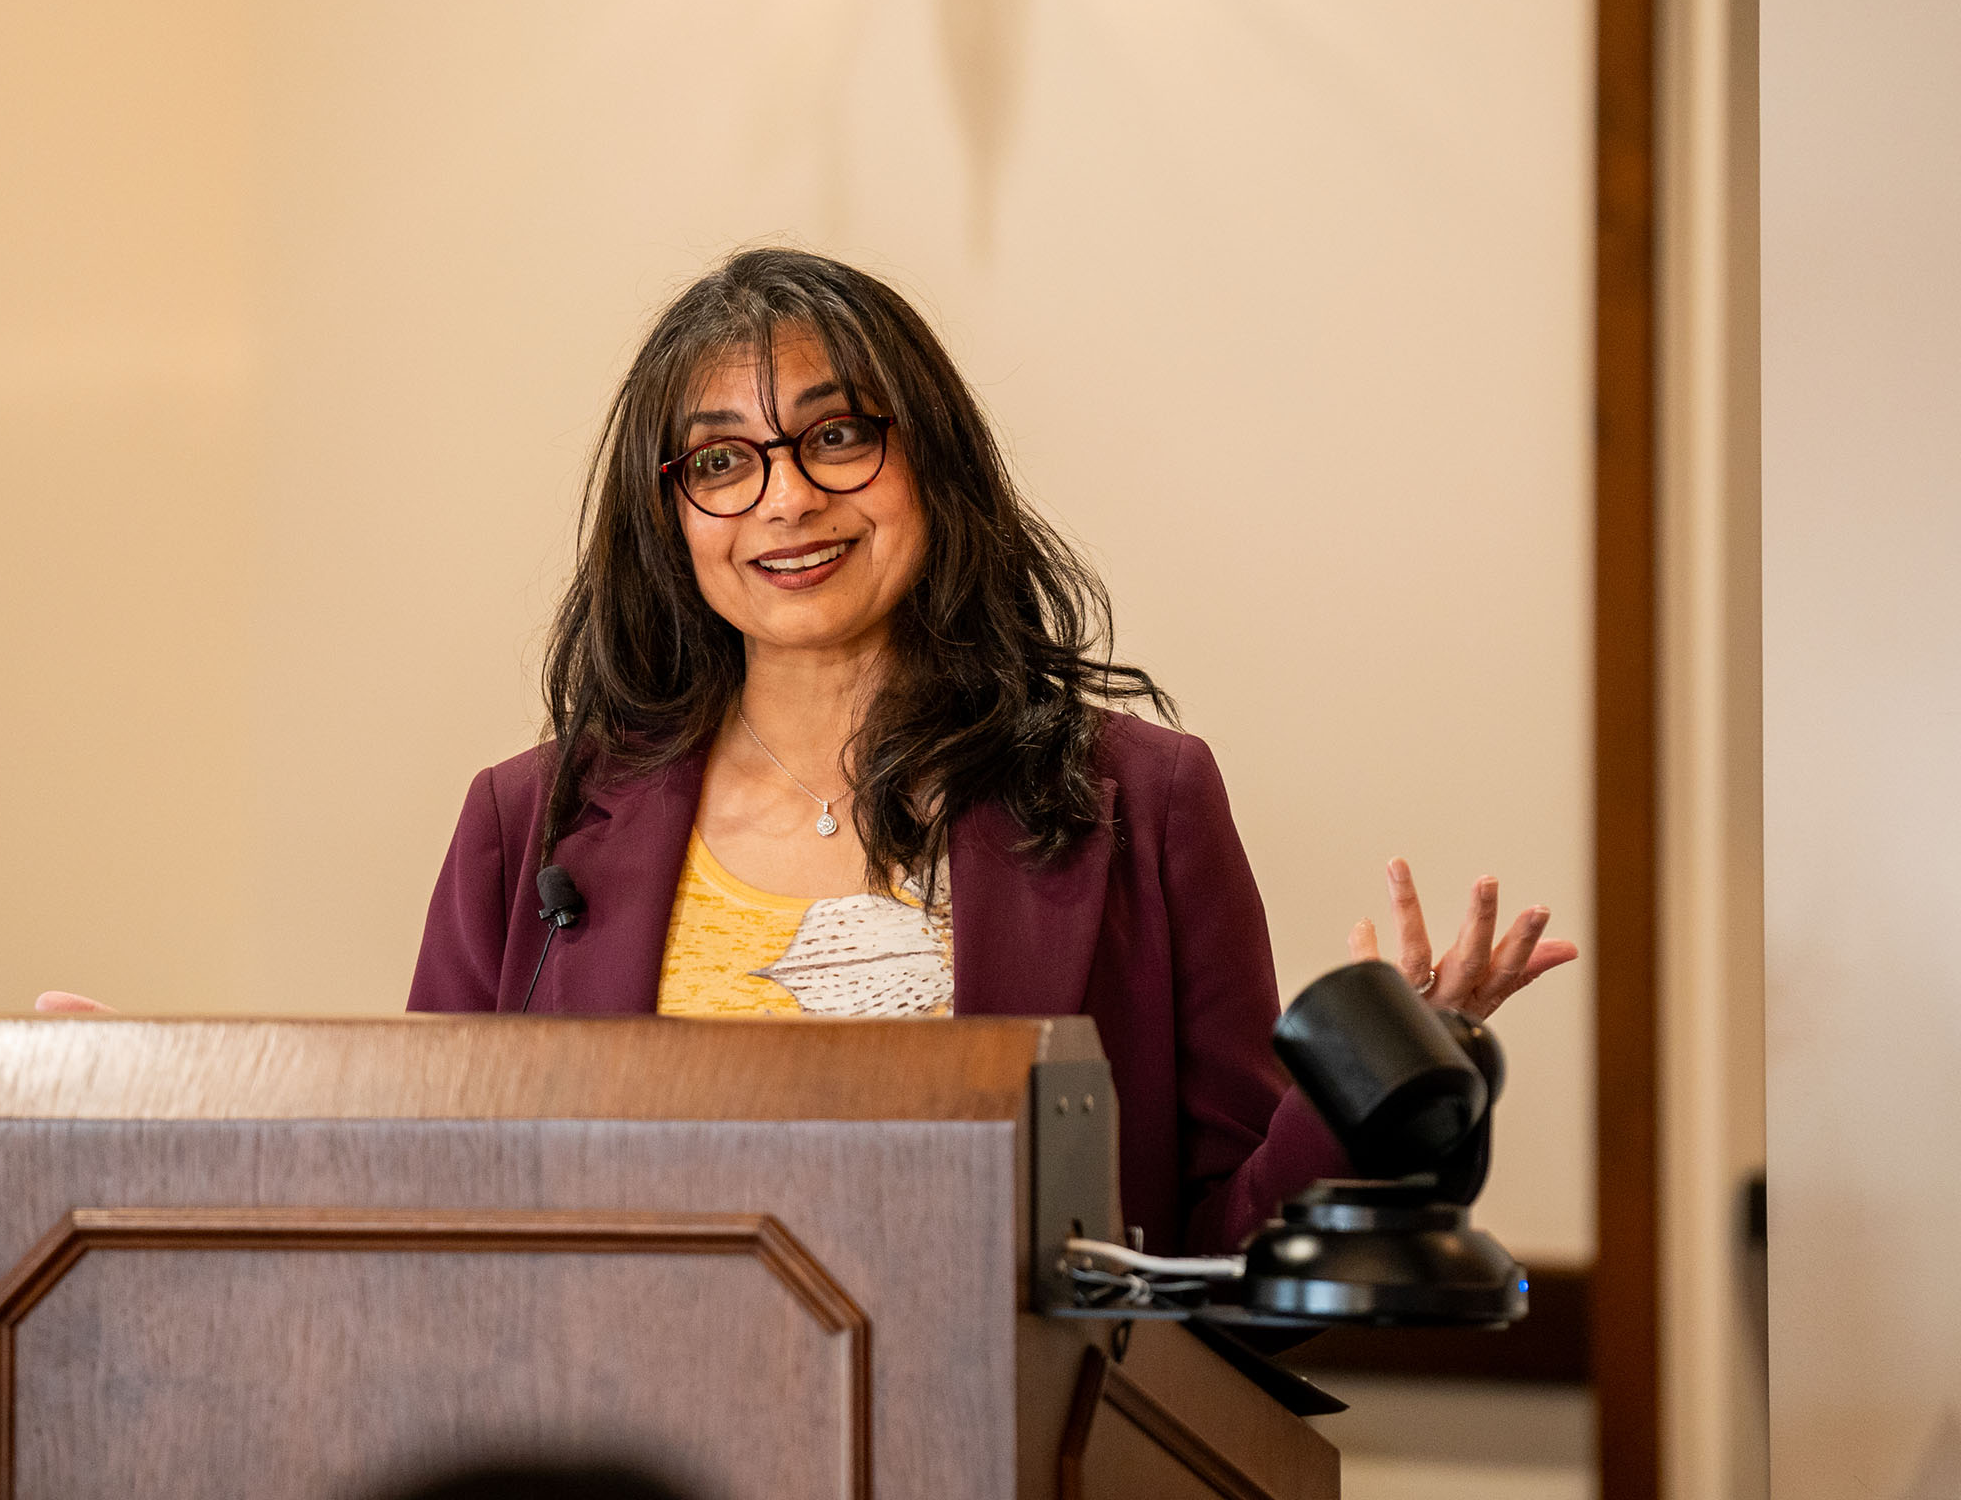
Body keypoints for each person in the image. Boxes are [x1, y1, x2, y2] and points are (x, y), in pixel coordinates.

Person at [398, 248, 1576, 1255]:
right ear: (668, 516)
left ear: (934, 459)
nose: (786, 497)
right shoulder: (529, 827)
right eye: (720, 460)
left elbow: (1221, 1261)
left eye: (837, 435)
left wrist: (1384, 1073)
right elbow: (421, 1211)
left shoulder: (1145, 799)